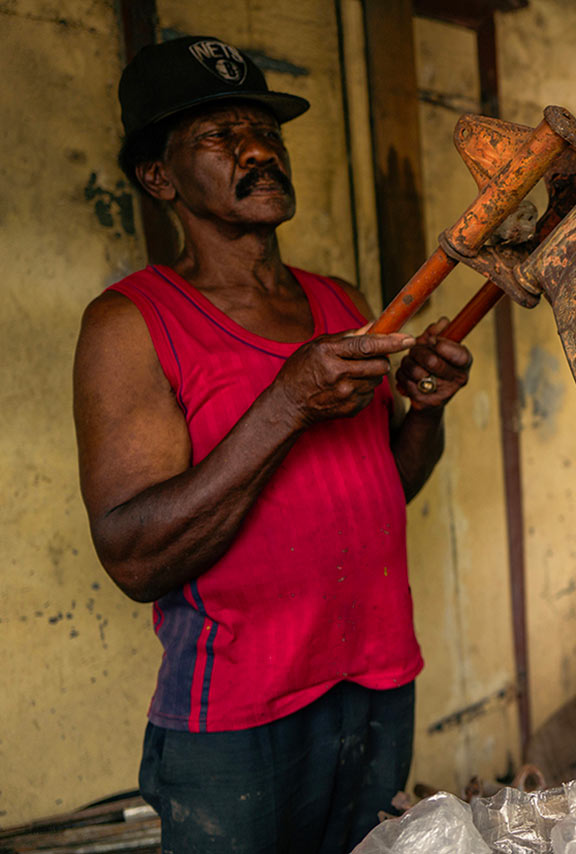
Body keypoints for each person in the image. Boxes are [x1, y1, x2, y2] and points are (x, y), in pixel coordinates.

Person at [71, 36, 470, 853]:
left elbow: (380, 487)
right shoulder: (131, 324)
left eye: (267, 132)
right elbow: (132, 559)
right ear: (159, 177)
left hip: (379, 679)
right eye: (220, 137)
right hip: (238, 713)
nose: (259, 149)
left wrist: (424, 411)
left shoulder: (341, 301)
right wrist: (286, 403)